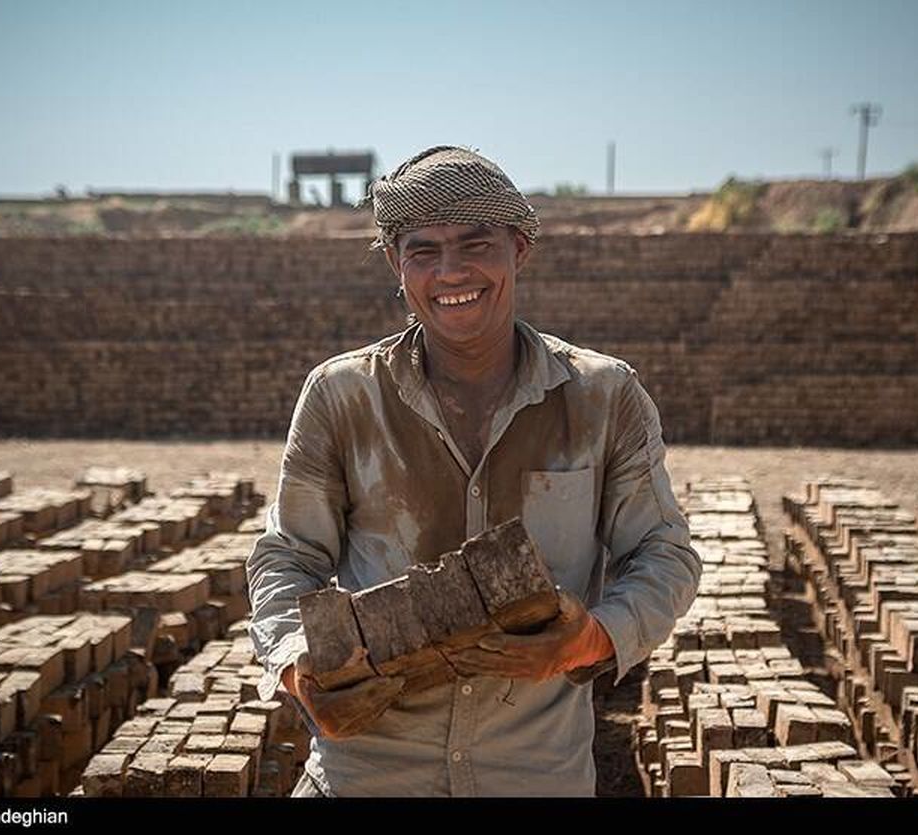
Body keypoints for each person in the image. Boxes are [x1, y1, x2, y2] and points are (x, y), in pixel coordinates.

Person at [246, 145, 702, 797]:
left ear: (519, 248)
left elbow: (665, 554)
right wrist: (299, 664)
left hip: (536, 774)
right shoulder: (341, 397)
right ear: (396, 266)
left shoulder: (604, 397)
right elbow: (285, 557)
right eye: (423, 250)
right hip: (369, 776)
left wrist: (590, 638)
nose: (450, 271)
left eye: (474, 243)